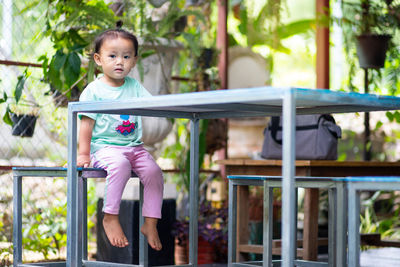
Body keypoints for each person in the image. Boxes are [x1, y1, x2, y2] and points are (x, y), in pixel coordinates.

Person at [77, 28, 163, 250]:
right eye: (112, 56)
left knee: (154, 172)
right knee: (120, 165)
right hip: (104, 149)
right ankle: (110, 216)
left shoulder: (134, 87)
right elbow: (86, 124)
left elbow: (152, 105)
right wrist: (83, 154)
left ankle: (150, 223)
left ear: (134, 61)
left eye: (126, 56)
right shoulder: (93, 91)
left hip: (135, 147)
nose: (120, 62)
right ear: (98, 59)